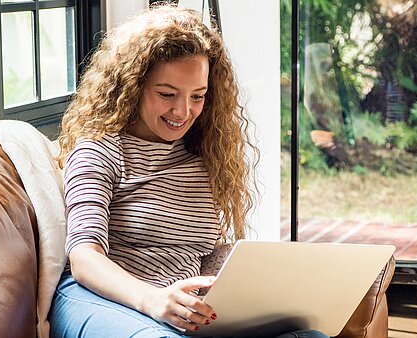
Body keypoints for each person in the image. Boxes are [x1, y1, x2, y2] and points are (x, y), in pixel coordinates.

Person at [48, 4, 328, 338]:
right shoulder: (99, 151)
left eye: (198, 96)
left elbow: (197, 253)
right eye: (167, 94)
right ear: (133, 86)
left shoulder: (201, 154)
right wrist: (151, 299)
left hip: (178, 310)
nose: (183, 111)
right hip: (104, 299)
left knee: (310, 336)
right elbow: (84, 258)